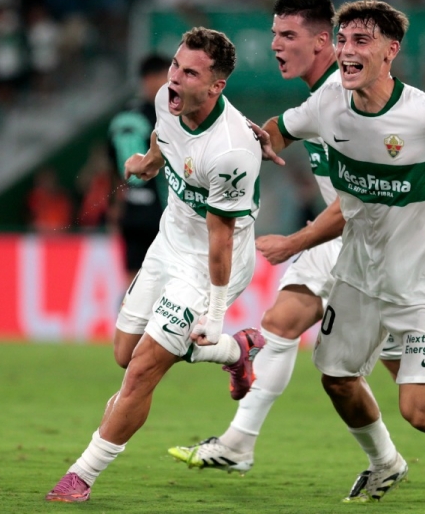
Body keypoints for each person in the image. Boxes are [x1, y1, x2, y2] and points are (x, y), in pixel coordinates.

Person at [169, 0, 425, 477]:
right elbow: (272, 135)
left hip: (383, 251)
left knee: (413, 390)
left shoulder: (423, 113)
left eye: (287, 35)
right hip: (355, 252)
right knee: (311, 346)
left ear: (322, 44)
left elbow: (359, 200)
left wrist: (297, 241)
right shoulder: (324, 104)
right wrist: (205, 154)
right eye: (274, 34)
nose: (275, 44)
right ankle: (271, 447)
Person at [45, 28, 264, 503]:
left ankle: (80, 477)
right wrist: (148, 161)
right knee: (124, 353)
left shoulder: (230, 152)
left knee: (141, 371)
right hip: (168, 244)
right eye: (175, 66)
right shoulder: (170, 99)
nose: (176, 79)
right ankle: (235, 351)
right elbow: (164, 133)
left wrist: (215, 314)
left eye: (190, 73)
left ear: (216, 87)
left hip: (210, 263)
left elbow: (221, 239)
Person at [107, 54, 170, 275]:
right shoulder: (162, 116)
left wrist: (116, 204)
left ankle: (128, 310)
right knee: (166, 280)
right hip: (161, 210)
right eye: (166, 76)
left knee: (132, 279)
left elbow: (113, 166)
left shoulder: (121, 116)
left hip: (130, 211)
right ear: (150, 78)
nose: (171, 83)